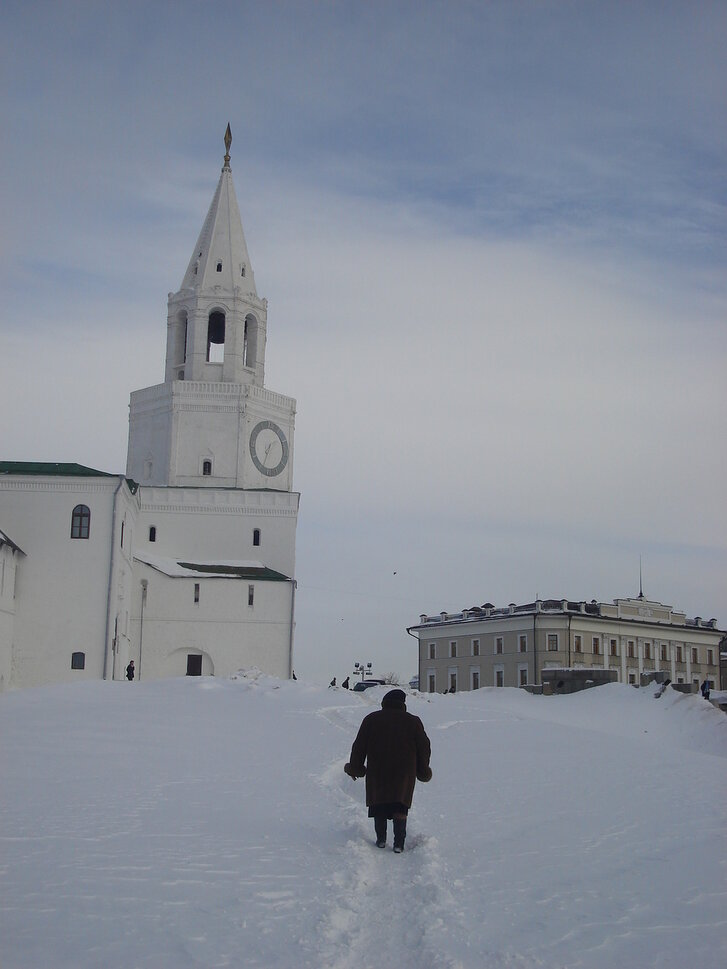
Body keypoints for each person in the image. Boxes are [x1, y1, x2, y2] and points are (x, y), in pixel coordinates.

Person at [344, 689, 431, 853]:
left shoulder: (371, 719)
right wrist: (423, 769)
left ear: (384, 702)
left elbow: (359, 746)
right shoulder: (413, 721)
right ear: (403, 703)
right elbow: (424, 748)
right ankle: (399, 843)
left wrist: (355, 767)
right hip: (404, 772)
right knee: (400, 805)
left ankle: (381, 840)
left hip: (378, 769)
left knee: (379, 804)